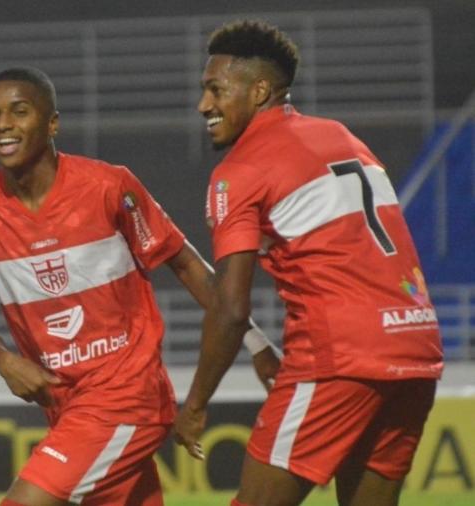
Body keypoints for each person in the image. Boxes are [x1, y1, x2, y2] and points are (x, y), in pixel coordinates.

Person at [0, 66, 280, 506]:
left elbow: (186, 266)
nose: (3, 124)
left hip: (126, 397)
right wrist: (5, 361)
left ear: (52, 123)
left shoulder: (108, 187)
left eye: (19, 111)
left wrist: (256, 342)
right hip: (65, 406)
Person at [173, 20, 444, 506]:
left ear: (259, 91)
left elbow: (231, 309)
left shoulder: (240, 172)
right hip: (416, 345)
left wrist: (194, 404)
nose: (204, 106)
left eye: (215, 90)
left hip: (339, 356)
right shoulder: (339, 135)